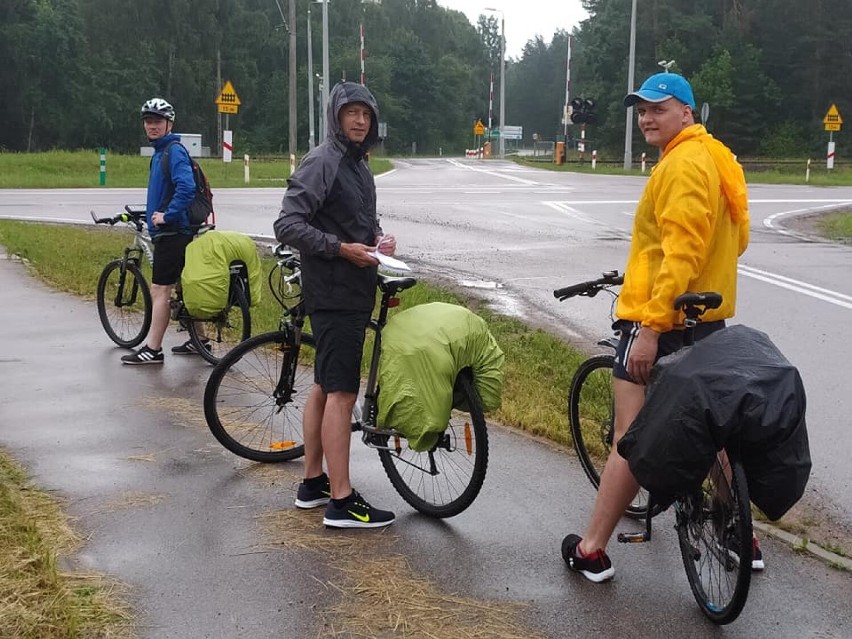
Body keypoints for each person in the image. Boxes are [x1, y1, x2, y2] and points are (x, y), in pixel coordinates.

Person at [562, 72, 759, 581]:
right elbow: (733, 241)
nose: (648, 118)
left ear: (687, 113)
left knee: (630, 435)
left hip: (661, 317)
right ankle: (741, 534)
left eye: (659, 109)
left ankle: (592, 549)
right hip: (707, 318)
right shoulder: (718, 159)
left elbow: (683, 248)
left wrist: (650, 325)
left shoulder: (682, 165)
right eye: (642, 111)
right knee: (712, 431)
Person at [273, 81, 397, 529]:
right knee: (343, 393)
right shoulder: (323, 159)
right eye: (352, 113)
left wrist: (378, 240)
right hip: (334, 291)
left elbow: (357, 220)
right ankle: (342, 502)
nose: (360, 121)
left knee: (325, 387)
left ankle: (313, 482)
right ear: (336, 116)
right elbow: (287, 223)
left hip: (349, 286)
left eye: (366, 113)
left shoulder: (358, 163)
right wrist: (340, 248)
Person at [121, 98, 204, 365]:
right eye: (148, 121)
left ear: (169, 124)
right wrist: (151, 213)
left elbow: (186, 188)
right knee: (182, 286)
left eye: (157, 121)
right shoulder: (160, 153)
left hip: (173, 231)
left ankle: (153, 349)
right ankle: (199, 340)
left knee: (160, 290)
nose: (152, 126)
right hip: (171, 229)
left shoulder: (173, 151)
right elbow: (165, 192)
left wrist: (167, 216)